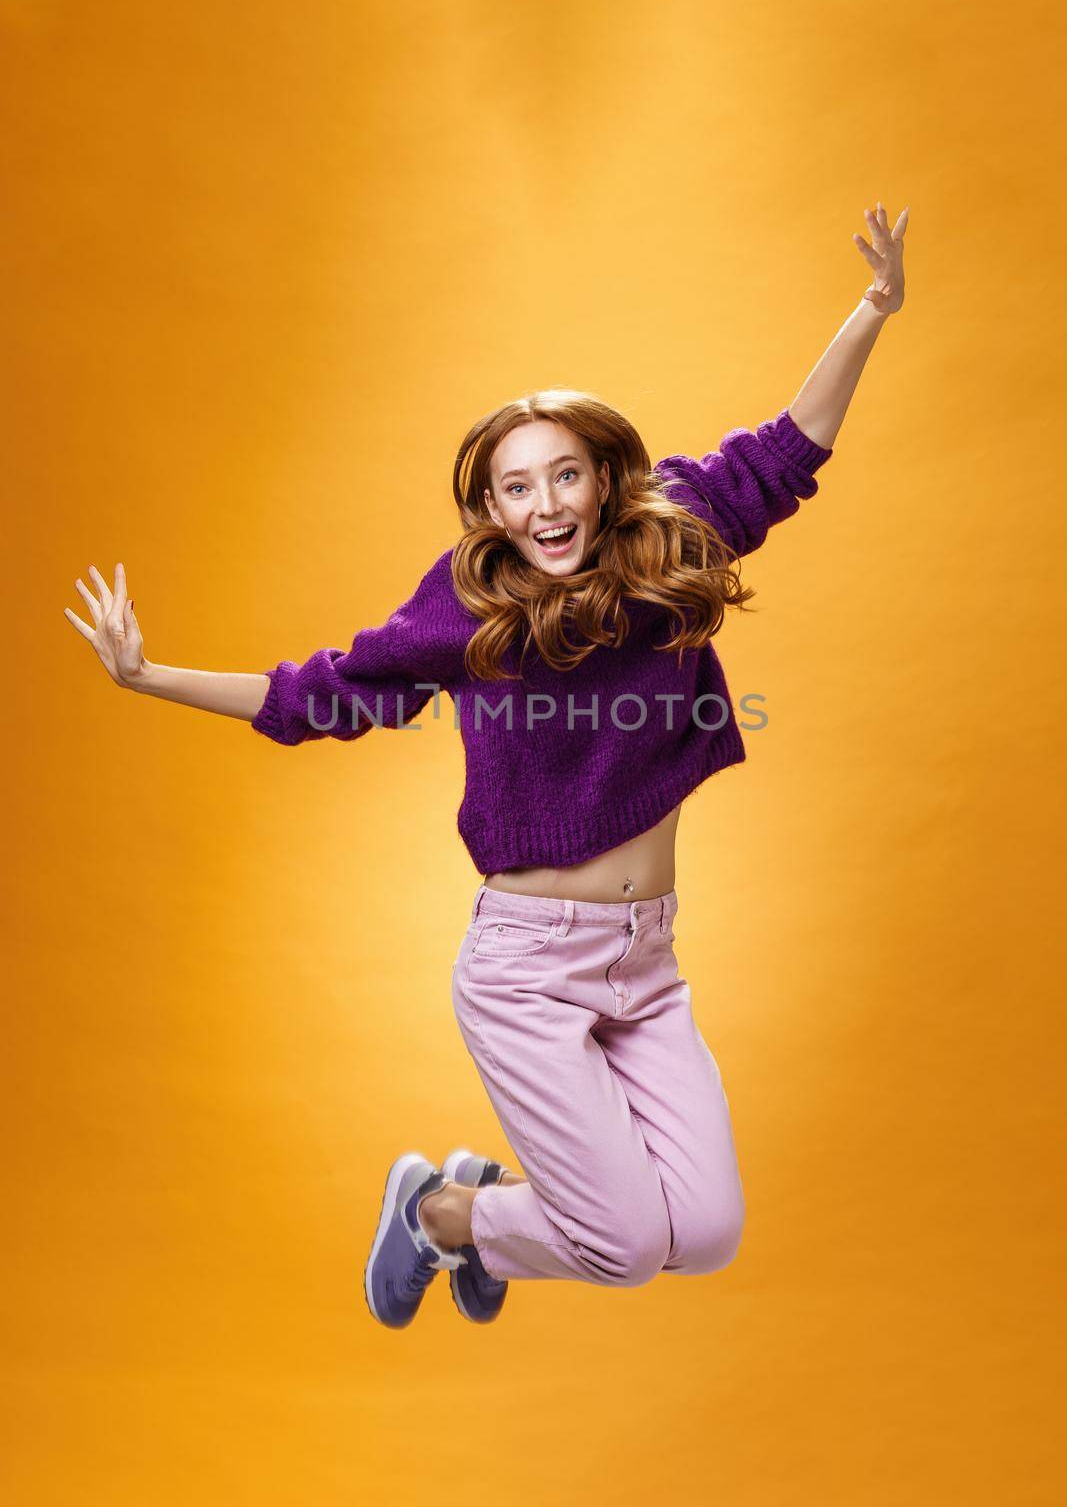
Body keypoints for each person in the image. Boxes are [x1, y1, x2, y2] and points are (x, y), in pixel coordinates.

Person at [63, 201, 908, 1331]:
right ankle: (441, 1217)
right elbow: (320, 694)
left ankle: (456, 1209)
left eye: (564, 477)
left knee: (700, 1235)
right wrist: (149, 674)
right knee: (617, 1246)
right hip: (526, 968)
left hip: (645, 957)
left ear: (602, 482)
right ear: (492, 508)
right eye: (517, 487)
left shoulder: (672, 535)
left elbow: (786, 450)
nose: (545, 505)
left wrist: (870, 309)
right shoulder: (469, 607)